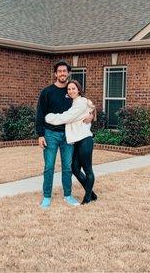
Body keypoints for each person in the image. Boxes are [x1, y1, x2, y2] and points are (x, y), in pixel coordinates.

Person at [35, 60, 93, 209]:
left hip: (68, 135)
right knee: (49, 166)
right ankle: (47, 196)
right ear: (55, 74)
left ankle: (68, 195)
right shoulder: (47, 92)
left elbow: (87, 105)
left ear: (68, 73)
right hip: (50, 134)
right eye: (59, 71)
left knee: (67, 167)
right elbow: (40, 113)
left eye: (64, 71)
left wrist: (91, 115)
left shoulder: (72, 92)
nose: (62, 73)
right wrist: (40, 134)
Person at [45, 79, 97, 204]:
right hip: (76, 141)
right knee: (74, 168)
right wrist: (93, 115)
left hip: (85, 139)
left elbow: (66, 117)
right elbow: (93, 109)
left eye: (74, 88)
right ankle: (91, 193)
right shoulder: (74, 102)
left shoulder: (81, 102)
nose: (71, 91)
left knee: (87, 169)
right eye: (69, 89)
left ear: (79, 89)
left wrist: (48, 117)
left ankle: (88, 198)